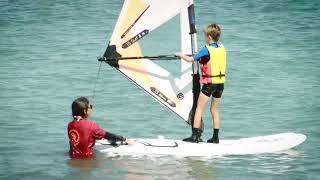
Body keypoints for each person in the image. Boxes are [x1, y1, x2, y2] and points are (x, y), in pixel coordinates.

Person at [175, 23, 226, 143]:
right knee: (214, 110)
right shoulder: (222, 47)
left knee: (199, 109)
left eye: (204, 35)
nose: (204, 37)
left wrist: (180, 55)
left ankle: (195, 136)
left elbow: (190, 59)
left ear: (209, 36)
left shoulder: (206, 50)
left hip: (209, 85)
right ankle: (215, 137)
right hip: (220, 84)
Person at [67, 97, 133, 158]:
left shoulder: (70, 125)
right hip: (87, 161)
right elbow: (107, 135)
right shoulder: (91, 126)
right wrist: (123, 139)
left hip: (72, 158)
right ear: (85, 111)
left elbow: (82, 136)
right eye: (91, 107)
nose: (91, 109)